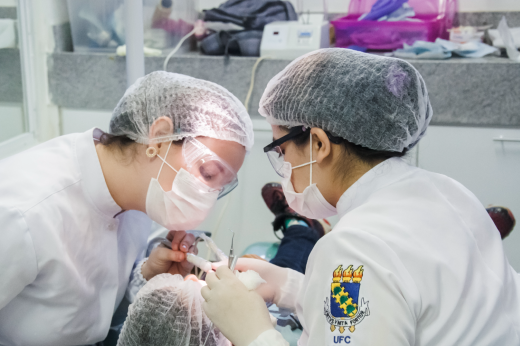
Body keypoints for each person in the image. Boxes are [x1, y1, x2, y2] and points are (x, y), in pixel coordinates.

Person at [201, 49, 520, 346]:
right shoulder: (449, 191)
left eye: (281, 150)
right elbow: (397, 303)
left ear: (319, 145)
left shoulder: (354, 247)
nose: (284, 167)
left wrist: (253, 332)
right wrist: (290, 286)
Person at [0, 71, 253, 346]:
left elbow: (96, 315)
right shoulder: (23, 212)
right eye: (207, 173)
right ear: (158, 138)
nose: (208, 197)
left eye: (220, 186)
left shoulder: (140, 194)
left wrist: (148, 277)